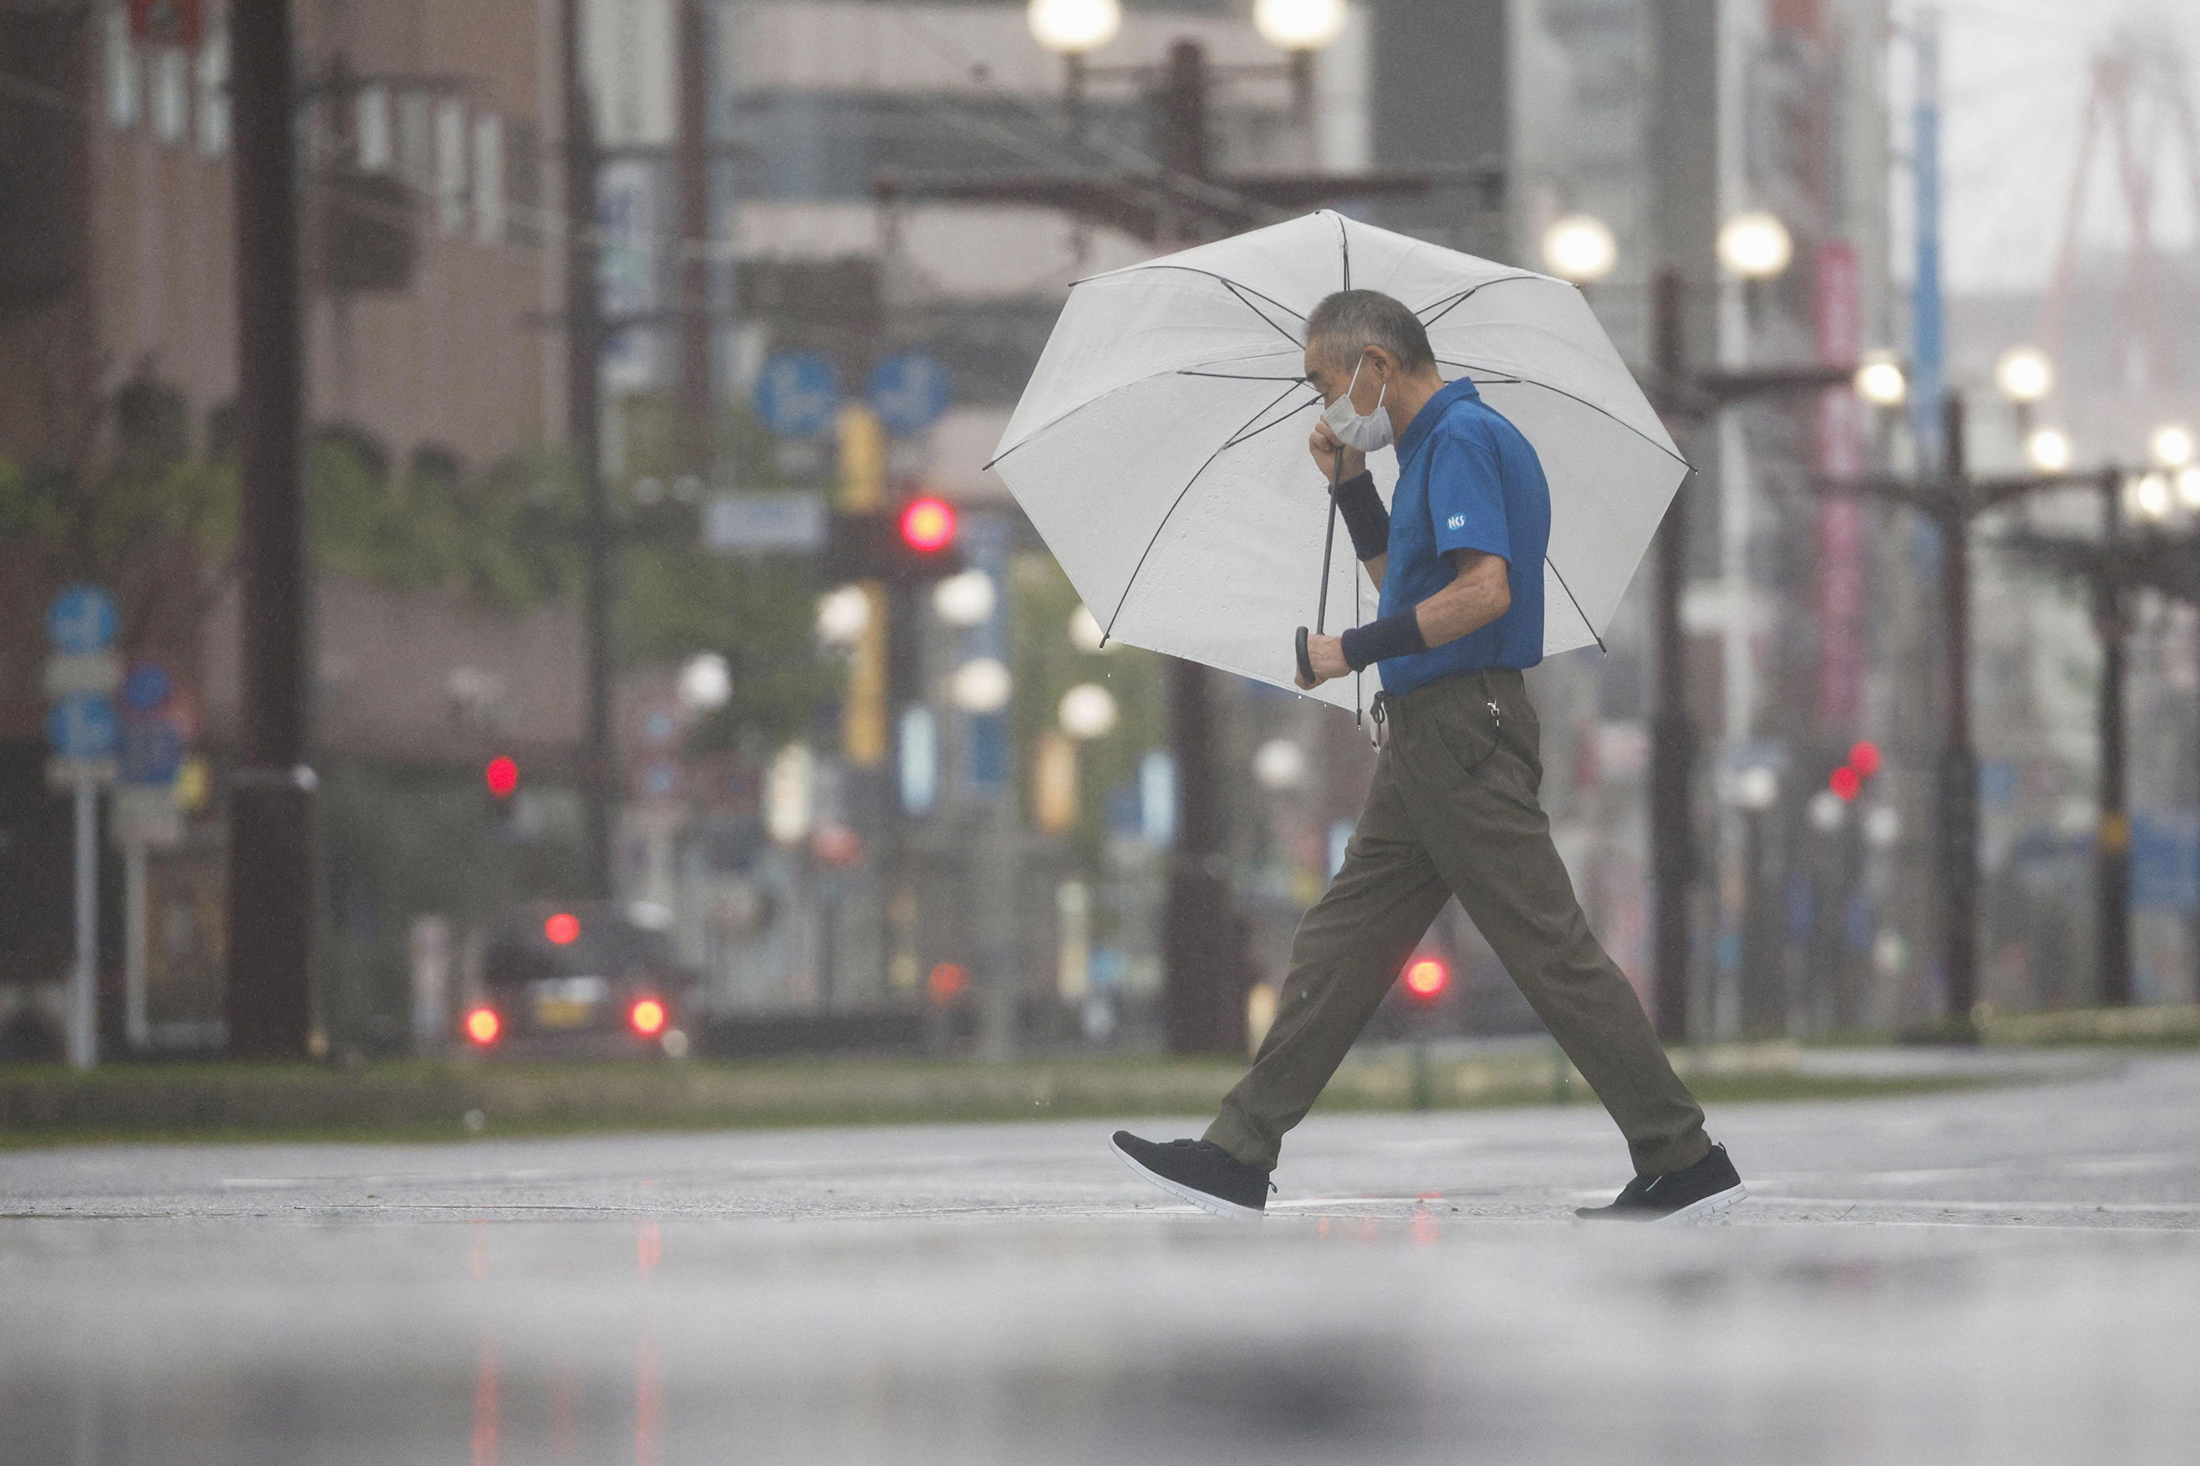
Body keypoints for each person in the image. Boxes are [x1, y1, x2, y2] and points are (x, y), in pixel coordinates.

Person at [1111, 290, 1745, 1223]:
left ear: (1375, 362)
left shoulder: (1460, 441)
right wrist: (1349, 487)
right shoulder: (1427, 454)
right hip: (1430, 733)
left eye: (1325, 383)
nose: (1324, 404)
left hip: (1461, 727)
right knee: (1341, 944)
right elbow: (1406, 587)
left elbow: (1482, 593)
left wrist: (1344, 652)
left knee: (1548, 950)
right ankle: (1239, 1149)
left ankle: (1680, 1151)